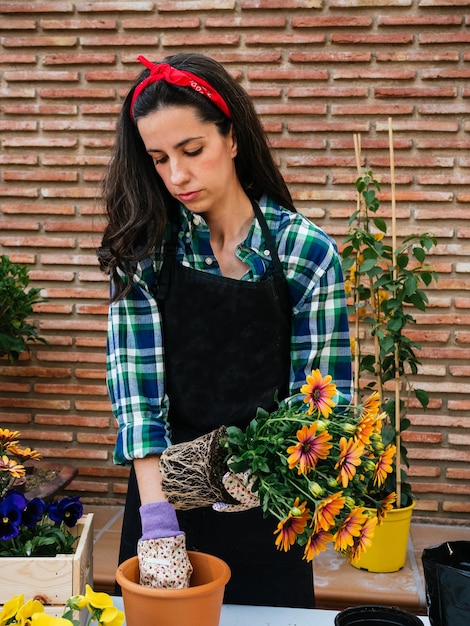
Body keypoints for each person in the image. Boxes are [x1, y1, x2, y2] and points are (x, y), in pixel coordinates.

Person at [98, 52, 352, 608]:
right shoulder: (146, 253)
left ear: (231, 139)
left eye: (193, 151)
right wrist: (159, 522)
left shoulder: (305, 254)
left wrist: (278, 476)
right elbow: (137, 396)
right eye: (159, 159)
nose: (177, 176)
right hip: (162, 493)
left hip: (268, 503)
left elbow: (324, 398)